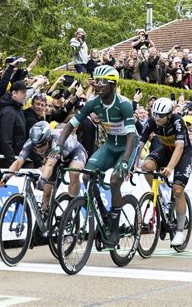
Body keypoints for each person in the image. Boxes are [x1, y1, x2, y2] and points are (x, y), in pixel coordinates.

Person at [53, 65, 139, 248]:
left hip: (127, 147)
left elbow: (132, 135)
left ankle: (114, 226)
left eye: (102, 82)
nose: (98, 85)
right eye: (96, 81)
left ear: (113, 84)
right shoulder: (93, 102)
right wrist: (59, 146)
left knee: (115, 180)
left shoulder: (124, 104)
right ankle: (103, 213)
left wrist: (125, 161)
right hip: (109, 145)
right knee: (87, 176)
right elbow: (71, 124)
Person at [136, 97, 192, 246]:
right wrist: (132, 164)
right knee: (146, 166)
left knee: (178, 190)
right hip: (166, 150)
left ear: (169, 115)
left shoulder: (177, 121)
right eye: (154, 114)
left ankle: (180, 231)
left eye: (161, 116)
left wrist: (170, 167)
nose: (157, 118)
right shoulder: (152, 121)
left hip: (183, 154)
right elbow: (140, 144)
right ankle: (158, 196)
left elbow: (179, 147)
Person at [0, 121, 87, 211]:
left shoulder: (55, 140)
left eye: (41, 145)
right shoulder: (30, 143)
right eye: (35, 147)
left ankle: (72, 205)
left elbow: (50, 164)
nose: (38, 149)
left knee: (74, 173)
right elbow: (18, 162)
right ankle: (44, 215)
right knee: (46, 193)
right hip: (55, 159)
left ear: (48, 140)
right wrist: (6, 178)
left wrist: (43, 179)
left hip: (74, 152)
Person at [0, 80, 28, 166]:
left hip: (15, 159)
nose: (25, 95)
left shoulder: (17, 109)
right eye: (23, 92)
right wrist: (13, 162)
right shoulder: (9, 112)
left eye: (26, 92)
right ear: (14, 93)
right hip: (7, 162)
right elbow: (5, 140)